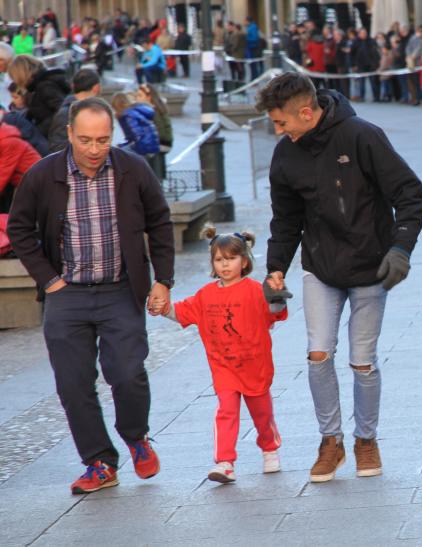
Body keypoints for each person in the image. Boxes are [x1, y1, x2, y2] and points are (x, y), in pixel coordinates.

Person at [255, 72, 422, 483]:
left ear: (305, 111)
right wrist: (275, 269)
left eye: (281, 123)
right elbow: (285, 219)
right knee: (318, 354)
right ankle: (330, 442)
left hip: (371, 267)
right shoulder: (286, 154)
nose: (278, 131)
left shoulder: (362, 136)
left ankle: (366, 440)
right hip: (321, 267)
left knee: (362, 362)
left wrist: (401, 249)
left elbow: (410, 194)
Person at [7, 97, 174, 494]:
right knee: (73, 383)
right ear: (69, 134)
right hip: (66, 294)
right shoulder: (44, 174)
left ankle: (136, 436)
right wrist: (49, 280)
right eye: (86, 140)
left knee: (128, 373)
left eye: (103, 140)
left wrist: (162, 280)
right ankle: (99, 460)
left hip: (120, 289)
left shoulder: (132, 169)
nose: (95, 149)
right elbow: (19, 229)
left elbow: (160, 221)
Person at [154, 227, 289, 484]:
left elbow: (277, 313)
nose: (225, 264)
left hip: (254, 364)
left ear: (245, 261)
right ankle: (225, 462)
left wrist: (278, 296)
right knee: (226, 411)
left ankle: (270, 448)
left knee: (262, 414)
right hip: (223, 366)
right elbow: (182, 312)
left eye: (231, 258)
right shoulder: (206, 295)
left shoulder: (255, 290)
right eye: (219, 260)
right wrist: (163, 308)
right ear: (213, 264)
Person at [7, 54, 70, 139]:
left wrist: (38, 130)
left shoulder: (44, 86)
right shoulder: (35, 87)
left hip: (55, 137)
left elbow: (62, 112)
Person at [49, 68, 102, 153]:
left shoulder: (67, 111)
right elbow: (58, 148)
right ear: (96, 88)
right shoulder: (66, 113)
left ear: (73, 85)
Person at [135, 84, 173, 180]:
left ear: (149, 97)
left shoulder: (151, 111)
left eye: (140, 96)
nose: (137, 98)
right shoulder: (155, 108)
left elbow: (160, 134)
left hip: (158, 146)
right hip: (162, 144)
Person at [110, 92, 160, 158]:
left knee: (117, 153)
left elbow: (137, 135)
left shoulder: (128, 115)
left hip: (144, 146)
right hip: (151, 144)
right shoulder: (133, 111)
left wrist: (123, 146)